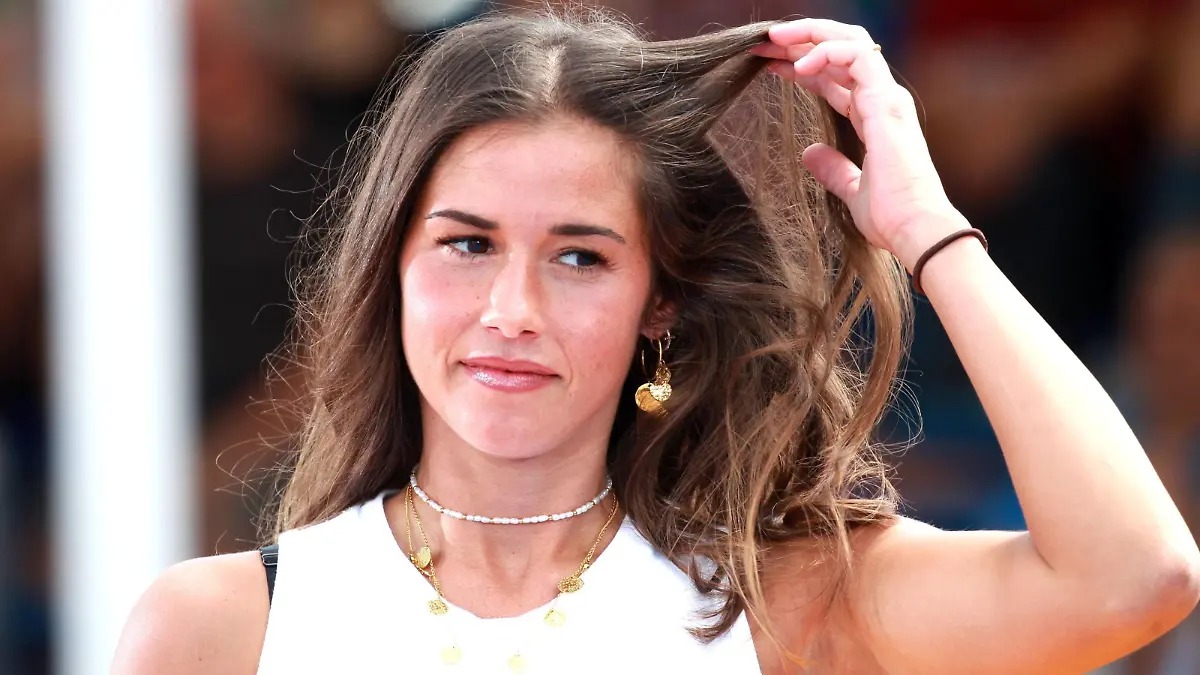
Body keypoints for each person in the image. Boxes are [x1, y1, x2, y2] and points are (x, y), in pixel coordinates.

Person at [111, 9, 1200, 674]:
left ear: (660, 301)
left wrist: (927, 234)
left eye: (580, 256)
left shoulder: (783, 606)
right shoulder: (220, 627)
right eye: (467, 243)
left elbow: (1131, 579)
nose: (512, 308)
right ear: (392, 266)